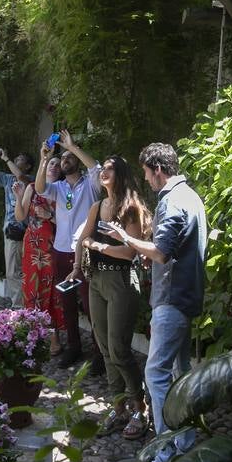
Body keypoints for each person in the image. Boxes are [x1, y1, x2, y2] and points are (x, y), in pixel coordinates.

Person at [105, 142, 207, 462]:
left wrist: (125, 237)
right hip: (186, 297)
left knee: (157, 374)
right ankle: (186, 442)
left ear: (158, 170)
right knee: (180, 372)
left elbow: (162, 253)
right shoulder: (191, 196)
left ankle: (163, 454)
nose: (147, 181)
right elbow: (173, 249)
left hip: (172, 300)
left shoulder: (173, 201)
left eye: (148, 174)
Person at [70, 156, 151, 438]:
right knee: (104, 347)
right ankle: (118, 409)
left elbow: (130, 253)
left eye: (109, 168)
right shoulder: (97, 206)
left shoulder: (131, 208)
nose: (103, 172)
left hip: (120, 281)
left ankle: (140, 409)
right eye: (101, 168)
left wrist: (98, 247)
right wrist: (76, 268)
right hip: (96, 281)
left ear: (121, 173)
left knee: (119, 348)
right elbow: (83, 239)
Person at [35, 129, 104, 371]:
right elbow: (40, 187)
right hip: (61, 251)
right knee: (67, 303)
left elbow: (97, 168)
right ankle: (74, 347)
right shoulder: (59, 188)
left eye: (68, 158)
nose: (64, 161)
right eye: (62, 158)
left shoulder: (91, 185)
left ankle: (99, 353)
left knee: (90, 303)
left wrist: (72, 147)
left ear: (76, 161)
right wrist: (44, 159)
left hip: (85, 251)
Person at [13, 155, 65, 355]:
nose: (54, 167)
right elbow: (20, 216)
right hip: (32, 246)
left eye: (57, 166)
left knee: (51, 289)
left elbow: (70, 225)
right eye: (51, 163)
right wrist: (18, 197)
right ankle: (32, 334)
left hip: (53, 245)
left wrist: (50, 216)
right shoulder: (32, 187)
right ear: (44, 165)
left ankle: (54, 337)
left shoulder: (61, 191)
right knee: (31, 287)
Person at [0, 146, 35, 308]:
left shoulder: (30, 179)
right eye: (16, 158)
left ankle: (19, 307)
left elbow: (20, 175)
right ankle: (22, 304)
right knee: (14, 269)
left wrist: (5, 158)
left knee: (15, 270)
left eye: (20, 159)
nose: (16, 160)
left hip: (24, 229)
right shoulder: (7, 178)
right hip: (11, 229)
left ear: (28, 166)